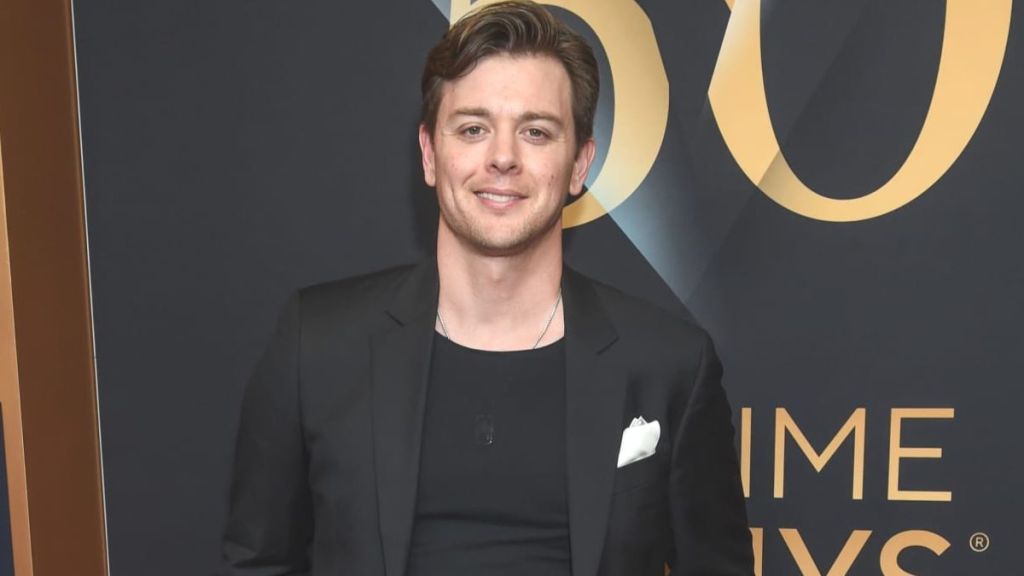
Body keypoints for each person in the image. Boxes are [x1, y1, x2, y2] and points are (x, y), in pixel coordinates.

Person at [221, 1, 753, 574]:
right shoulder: (317, 343)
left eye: (536, 131)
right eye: (473, 128)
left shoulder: (670, 364)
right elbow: (258, 562)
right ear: (430, 154)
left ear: (579, 165)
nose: (503, 157)